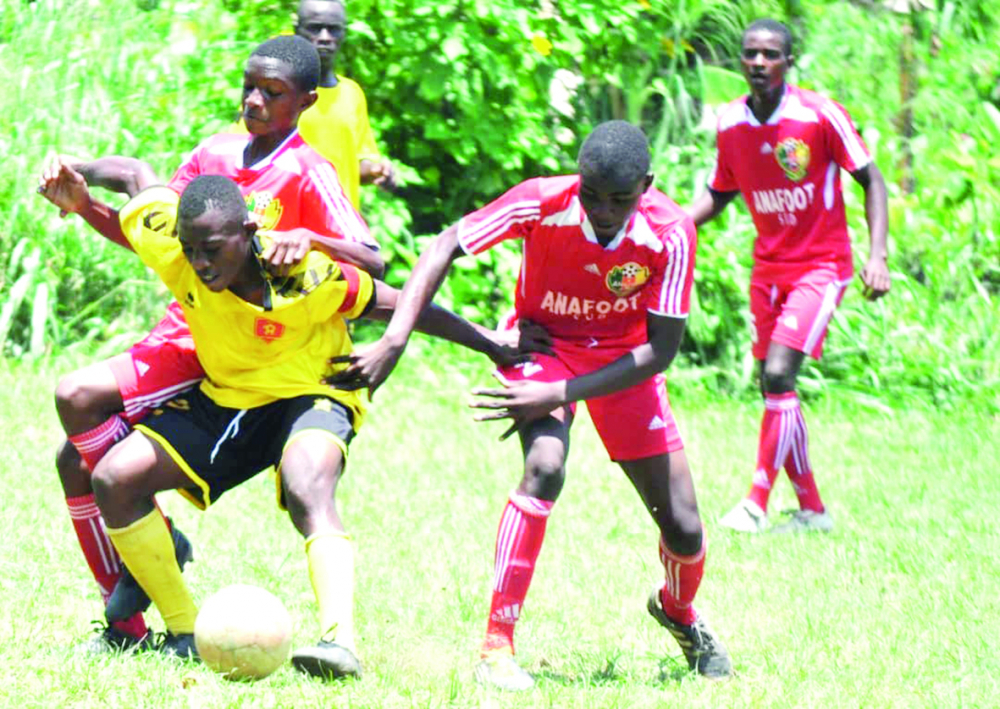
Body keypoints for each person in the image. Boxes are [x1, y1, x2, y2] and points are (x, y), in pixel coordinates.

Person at [42, 169, 534, 678]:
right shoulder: (174, 248)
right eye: (191, 249)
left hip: (313, 392)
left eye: (212, 247)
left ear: (249, 232)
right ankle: (185, 631)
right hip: (230, 399)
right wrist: (82, 190)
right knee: (114, 479)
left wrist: (490, 342)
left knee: (307, 485)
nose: (200, 262)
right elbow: (136, 182)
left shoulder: (307, 274)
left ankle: (339, 643)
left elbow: (396, 303)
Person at [330, 121, 734, 690]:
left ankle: (678, 612)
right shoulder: (542, 200)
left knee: (686, 530)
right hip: (544, 346)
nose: (603, 209)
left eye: (620, 199)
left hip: (624, 363)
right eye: (592, 193)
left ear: (648, 184)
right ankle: (496, 646)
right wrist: (395, 339)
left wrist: (560, 394)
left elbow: (660, 351)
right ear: (579, 177)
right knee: (545, 465)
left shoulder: (670, 231)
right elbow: (448, 242)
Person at [40, 34, 385, 653]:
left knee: (83, 425)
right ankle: (136, 609)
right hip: (193, 326)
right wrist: (85, 200)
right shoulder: (214, 152)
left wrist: (309, 239)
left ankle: (153, 599)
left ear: (304, 101)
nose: (253, 100)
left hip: (252, 349)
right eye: (248, 87)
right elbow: (165, 236)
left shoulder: (307, 170)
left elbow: (372, 263)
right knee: (81, 460)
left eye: (270, 93)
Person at [688, 19, 890, 534]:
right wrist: (671, 221)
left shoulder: (819, 115)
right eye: (750, 53)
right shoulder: (731, 123)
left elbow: (871, 178)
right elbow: (721, 190)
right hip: (768, 269)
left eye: (770, 54)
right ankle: (812, 511)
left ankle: (755, 503)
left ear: (788, 62)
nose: (759, 62)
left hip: (822, 267)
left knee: (778, 375)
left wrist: (878, 255)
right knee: (776, 386)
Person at [294, 0, 396, 208]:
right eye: (315, 28)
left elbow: (356, 162)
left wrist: (378, 170)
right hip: (290, 226)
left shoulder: (352, 93)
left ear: (344, 34)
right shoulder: (277, 91)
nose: (324, 38)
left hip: (339, 227)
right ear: (297, 31)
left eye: (334, 30)